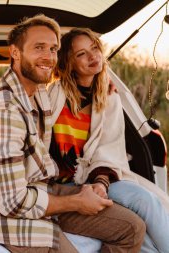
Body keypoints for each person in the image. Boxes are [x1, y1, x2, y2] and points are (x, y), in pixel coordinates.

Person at [0, 14, 146, 253]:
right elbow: (13, 203)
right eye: (39, 47)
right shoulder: (3, 111)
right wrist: (76, 203)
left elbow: (73, 88)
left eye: (53, 49)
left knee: (131, 228)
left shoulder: (39, 92)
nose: (48, 57)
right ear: (15, 52)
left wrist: (99, 85)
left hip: (43, 189)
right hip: (8, 218)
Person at [48, 27, 169, 253]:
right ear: (68, 63)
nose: (92, 56)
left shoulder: (108, 98)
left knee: (146, 202)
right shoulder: (52, 96)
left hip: (97, 177)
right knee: (137, 224)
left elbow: (109, 147)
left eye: (94, 48)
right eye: (81, 54)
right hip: (64, 186)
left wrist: (102, 183)